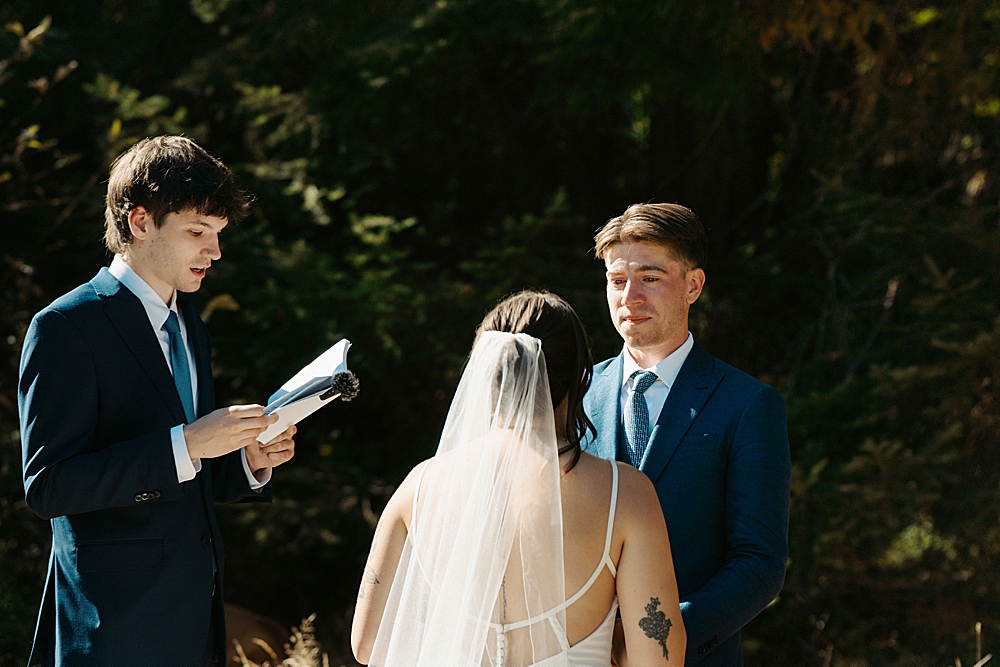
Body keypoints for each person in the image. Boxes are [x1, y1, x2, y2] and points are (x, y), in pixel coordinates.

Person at [18, 135, 297, 667]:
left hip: (195, 628)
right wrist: (186, 443)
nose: (214, 251)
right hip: (110, 634)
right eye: (197, 231)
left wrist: (247, 460)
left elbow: (186, 477)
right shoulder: (65, 327)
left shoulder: (191, 325)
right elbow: (49, 486)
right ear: (140, 221)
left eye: (217, 233)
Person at [351, 291, 685, 667]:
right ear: (580, 377)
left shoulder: (419, 486)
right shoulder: (623, 494)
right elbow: (659, 661)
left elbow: (368, 643)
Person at [583, 203, 791, 667]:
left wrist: (660, 641)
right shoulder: (574, 395)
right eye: (617, 280)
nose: (630, 296)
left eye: (650, 278)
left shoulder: (748, 404)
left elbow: (759, 562)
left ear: (693, 285)